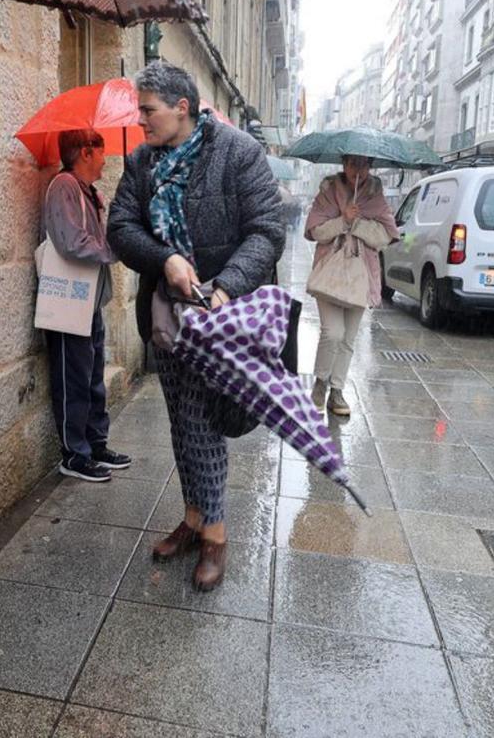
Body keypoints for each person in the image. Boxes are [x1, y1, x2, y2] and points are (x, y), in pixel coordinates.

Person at [108, 61, 284, 592]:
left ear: (182, 108)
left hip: (223, 318)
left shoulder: (238, 153)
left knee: (204, 422)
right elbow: (120, 227)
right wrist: (165, 259)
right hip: (167, 319)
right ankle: (192, 519)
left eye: (148, 110)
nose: (139, 120)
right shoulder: (141, 163)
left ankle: (216, 535)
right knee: (181, 421)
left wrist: (224, 287)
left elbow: (267, 231)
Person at [43, 129, 132, 481]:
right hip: (68, 301)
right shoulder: (64, 186)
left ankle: (95, 443)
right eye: (101, 150)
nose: (106, 158)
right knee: (74, 380)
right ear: (85, 152)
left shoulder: (87, 191)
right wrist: (114, 250)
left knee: (93, 376)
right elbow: (71, 243)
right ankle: (74, 455)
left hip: (88, 300)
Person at [305, 156, 400, 417]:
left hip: (361, 275)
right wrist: (343, 220)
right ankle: (320, 384)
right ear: (344, 165)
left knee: (348, 338)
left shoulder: (376, 196)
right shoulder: (327, 191)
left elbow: (386, 237)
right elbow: (316, 232)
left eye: (364, 165)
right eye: (352, 165)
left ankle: (337, 391)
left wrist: (357, 224)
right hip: (330, 272)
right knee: (332, 333)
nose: (358, 171)